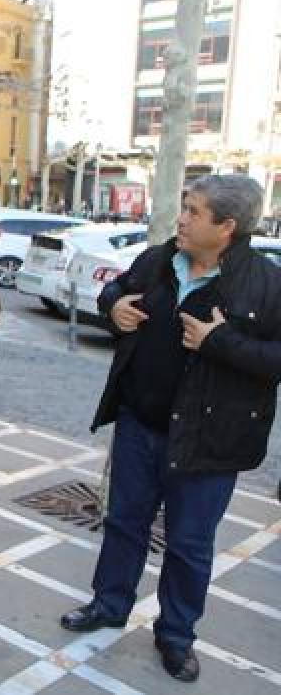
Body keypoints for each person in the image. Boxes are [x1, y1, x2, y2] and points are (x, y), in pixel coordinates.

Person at [59, 175, 281, 683]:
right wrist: (112, 305)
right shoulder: (158, 259)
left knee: (188, 544)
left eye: (194, 212)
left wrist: (219, 342)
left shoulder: (267, 285)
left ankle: (176, 636)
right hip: (140, 424)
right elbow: (115, 288)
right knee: (122, 523)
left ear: (226, 227)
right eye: (183, 207)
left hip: (210, 443)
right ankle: (109, 604)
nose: (181, 218)